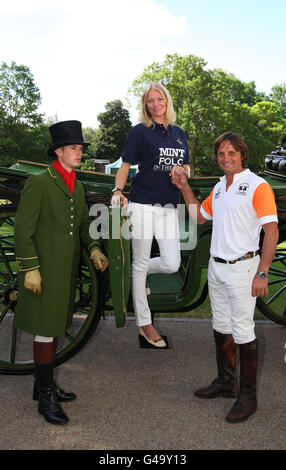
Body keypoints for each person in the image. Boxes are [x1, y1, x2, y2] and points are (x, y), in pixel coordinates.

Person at [171, 131, 279, 423]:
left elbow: (271, 231)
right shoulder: (219, 188)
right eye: (221, 153)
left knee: (243, 330)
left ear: (242, 154)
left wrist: (262, 272)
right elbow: (200, 217)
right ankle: (226, 382)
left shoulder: (258, 185)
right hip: (217, 267)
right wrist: (184, 187)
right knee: (220, 326)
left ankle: (248, 396)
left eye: (232, 153)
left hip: (244, 268)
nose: (226, 158)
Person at [14, 120, 108, 425]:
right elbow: (22, 231)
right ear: (58, 152)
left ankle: (43, 385)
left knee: (55, 327)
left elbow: (81, 226)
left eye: (80, 148)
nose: (79, 152)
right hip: (42, 272)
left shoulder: (76, 185)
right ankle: (45, 398)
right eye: (73, 148)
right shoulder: (40, 182)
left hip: (64, 273)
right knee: (45, 329)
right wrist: (30, 268)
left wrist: (93, 248)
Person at [112, 83, 190, 347]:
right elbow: (125, 165)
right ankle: (145, 323)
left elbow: (186, 165)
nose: (155, 104)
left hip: (169, 207)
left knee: (171, 264)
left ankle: (141, 273)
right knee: (141, 261)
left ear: (167, 101)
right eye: (150, 101)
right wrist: (117, 189)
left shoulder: (179, 134)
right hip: (143, 205)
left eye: (159, 99)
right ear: (145, 106)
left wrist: (184, 173)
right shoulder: (140, 132)